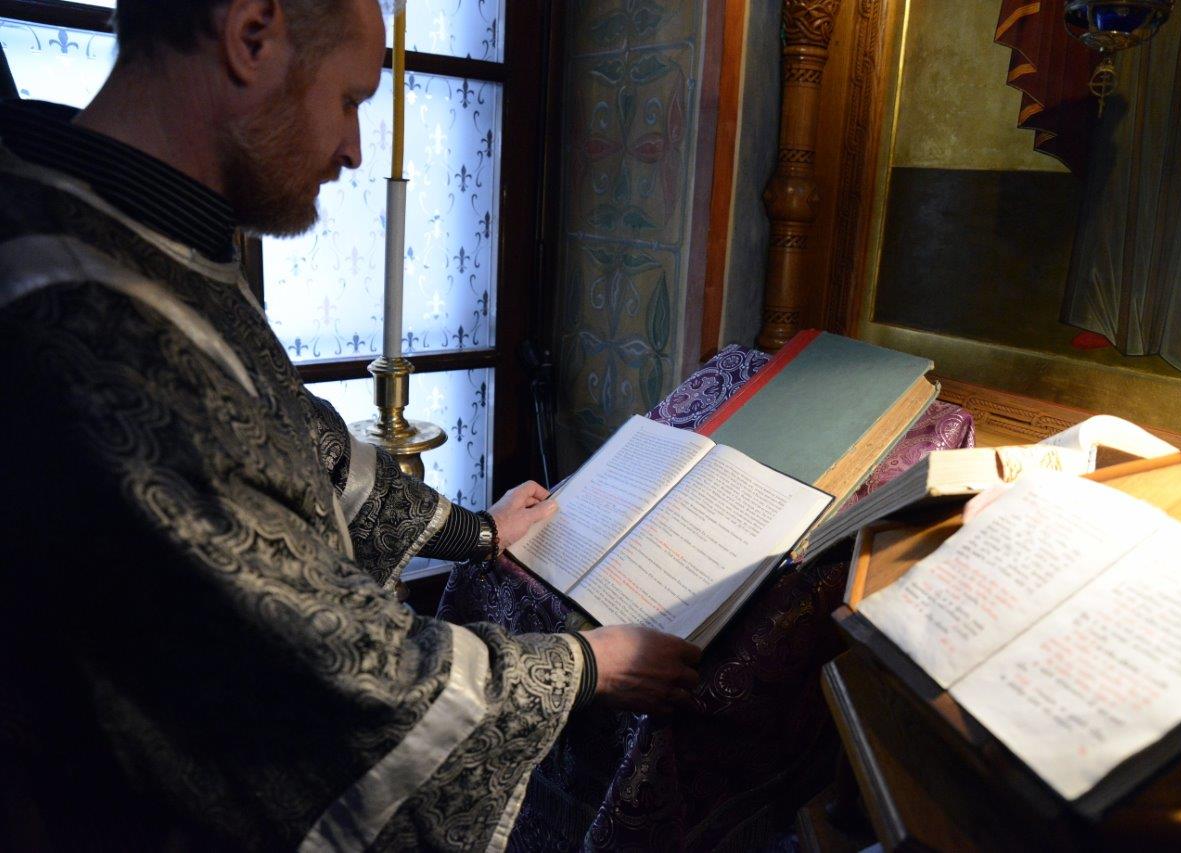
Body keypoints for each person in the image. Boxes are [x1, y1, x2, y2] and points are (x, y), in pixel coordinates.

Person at [0, 0, 700, 849]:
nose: (355, 149)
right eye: (349, 100)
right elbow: (334, 666)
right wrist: (591, 664)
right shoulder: (89, 319)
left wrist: (479, 533)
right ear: (251, 37)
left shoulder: (128, 219)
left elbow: (297, 439)